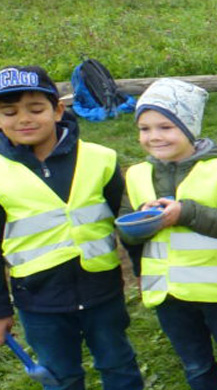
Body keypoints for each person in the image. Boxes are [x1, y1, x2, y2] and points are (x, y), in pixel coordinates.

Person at [0, 65, 143, 390]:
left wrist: (144, 273)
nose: (24, 119)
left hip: (102, 292)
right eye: (9, 112)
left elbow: (128, 225)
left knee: (119, 366)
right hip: (39, 303)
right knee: (61, 377)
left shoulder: (100, 159)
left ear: (58, 110)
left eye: (36, 109)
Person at [120, 79, 217, 390]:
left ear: (189, 127)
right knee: (195, 364)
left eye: (165, 127)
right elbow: (126, 232)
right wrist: (141, 220)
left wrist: (186, 213)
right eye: (145, 129)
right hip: (168, 294)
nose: (154, 136)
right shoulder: (137, 174)